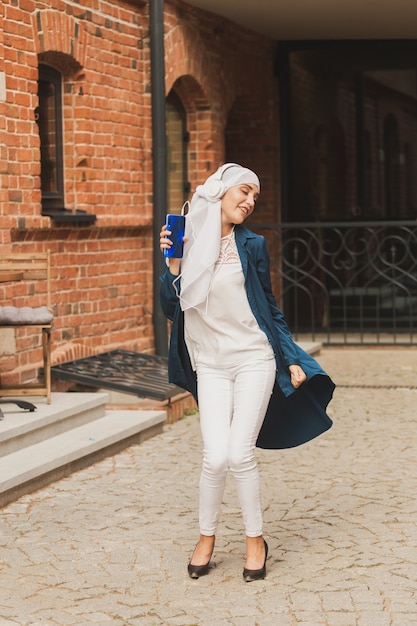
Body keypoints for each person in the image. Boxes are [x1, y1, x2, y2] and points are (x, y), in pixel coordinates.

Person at [159, 163, 335, 582]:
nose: (250, 201)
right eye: (244, 191)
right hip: (211, 363)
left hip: (253, 357)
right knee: (214, 457)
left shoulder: (252, 245)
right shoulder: (187, 242)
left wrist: (291, 356)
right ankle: (207, 536)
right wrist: (173, 267)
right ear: (219, 191)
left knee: (239, 453)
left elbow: (268, 307)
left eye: (254, 196)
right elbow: (171, 309)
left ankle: (255, 540)